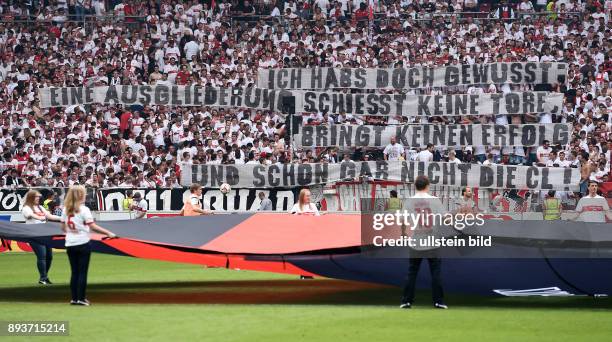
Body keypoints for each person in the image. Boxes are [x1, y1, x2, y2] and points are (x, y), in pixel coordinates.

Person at [61, 185, 116, 306]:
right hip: (82, 243)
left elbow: (63, 227)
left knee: (74, 272)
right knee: (82, 272)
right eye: (84, 193)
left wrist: (71, 231)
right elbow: (92, 226)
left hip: (70, 243)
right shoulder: (84, 209)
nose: (85, 195)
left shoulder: (66, 209)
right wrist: (108, 233)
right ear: (80, 195)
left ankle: (74, 298)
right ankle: (81, 298)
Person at [400, 175, 447, 309]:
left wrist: (403, 233)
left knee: (412, 272)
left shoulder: (409, 201)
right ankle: (439, 302)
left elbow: (403, 220)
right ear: (427, 186)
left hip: (416, 240)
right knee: (435, 272)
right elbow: (445, 218)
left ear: (415, 186)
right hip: (432, 240)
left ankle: (406, 300)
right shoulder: (434, 200)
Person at [21, 190, 62, 285]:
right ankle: (43, 278)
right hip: (34, 234)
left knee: (49, 257)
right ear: (31, 197)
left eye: (39, 196)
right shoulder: (26, 207)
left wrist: (62, 218)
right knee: (42, 256)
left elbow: (50, 216)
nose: (39, 198)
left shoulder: (40, 207)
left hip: (44, 234)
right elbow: (29, 215)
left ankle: (44, 277)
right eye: (36, 197)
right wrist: (39, 217)